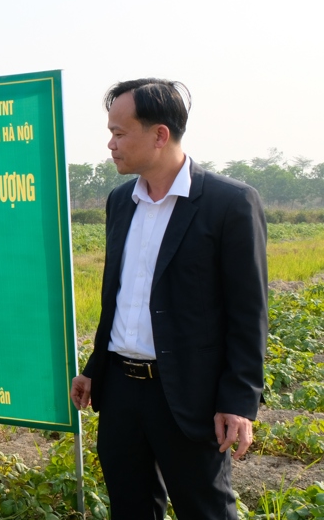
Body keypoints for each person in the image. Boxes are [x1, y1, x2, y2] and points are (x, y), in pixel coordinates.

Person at [69, 79, 268, 519]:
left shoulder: (228, 203)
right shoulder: (122, 201)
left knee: (206, 509)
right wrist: (95, 369)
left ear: (159, 135)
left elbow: (248, 312)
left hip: (188, 392)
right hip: (121, 391)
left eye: (120, 133)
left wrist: (238, 400)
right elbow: (120, 296)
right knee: (131, 506)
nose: (110, 143)